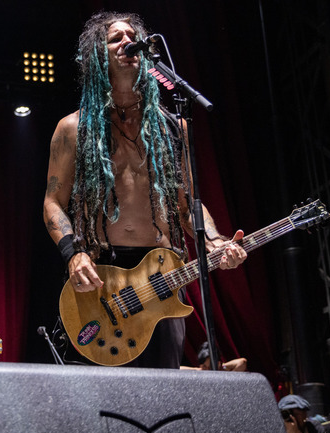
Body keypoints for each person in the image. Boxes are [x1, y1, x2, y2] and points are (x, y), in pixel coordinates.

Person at [42, 11, 247, 368]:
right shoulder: (73, 128)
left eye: (132, 35)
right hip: (102, 273)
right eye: (115, 38)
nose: (127, 41)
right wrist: (73, 254)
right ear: (97, 55)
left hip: (163, 271)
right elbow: (53, 202)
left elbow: (187, 203)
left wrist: (213, 240)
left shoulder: (173, 127)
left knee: (159, 391)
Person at [181, 341, 247, 371]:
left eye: (210, 367)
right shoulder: (200, 371)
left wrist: (223, 366)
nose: (207, 370)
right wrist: (196, 370)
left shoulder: (223, 370)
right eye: (204, 366)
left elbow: (242, 362)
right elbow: (178, 369)